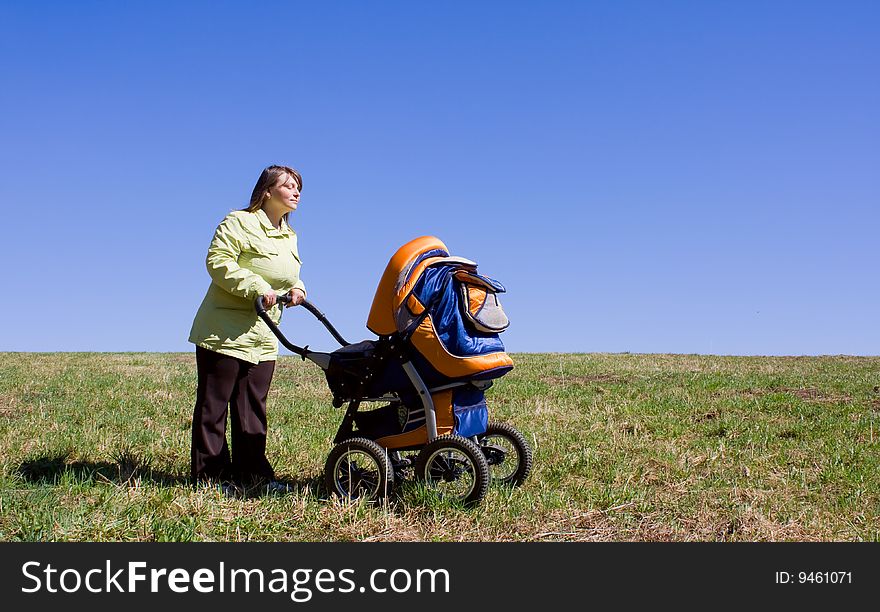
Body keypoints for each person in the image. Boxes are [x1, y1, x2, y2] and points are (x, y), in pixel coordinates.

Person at [188, 165, 307, 495]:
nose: (297, 192)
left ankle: (254, 476)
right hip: (225, 331)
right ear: (267, 191)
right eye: (289, 186)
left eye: (299, 187)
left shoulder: (288, 235)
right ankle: (210, 478)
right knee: (215, 407)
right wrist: (255, 286)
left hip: (264, 335)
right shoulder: (239, 222)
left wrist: (299, 289)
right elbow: (218, 261)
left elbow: (287, 274)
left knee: (252, 407)